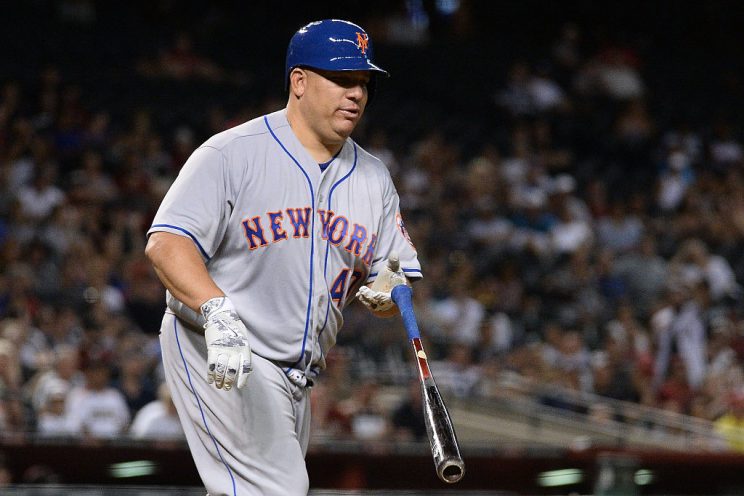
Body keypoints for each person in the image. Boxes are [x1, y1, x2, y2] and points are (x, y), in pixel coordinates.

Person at [145, 19, 421, 496]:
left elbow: (395, 274)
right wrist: (216, 310)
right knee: (280, 490)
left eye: (363, 82)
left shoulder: (374, 179)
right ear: (299, 81)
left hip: (298, 378)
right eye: (341, 79)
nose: (356, 93)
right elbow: (167, 243)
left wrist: (387, 288)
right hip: (223, 349)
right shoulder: (233, 153)